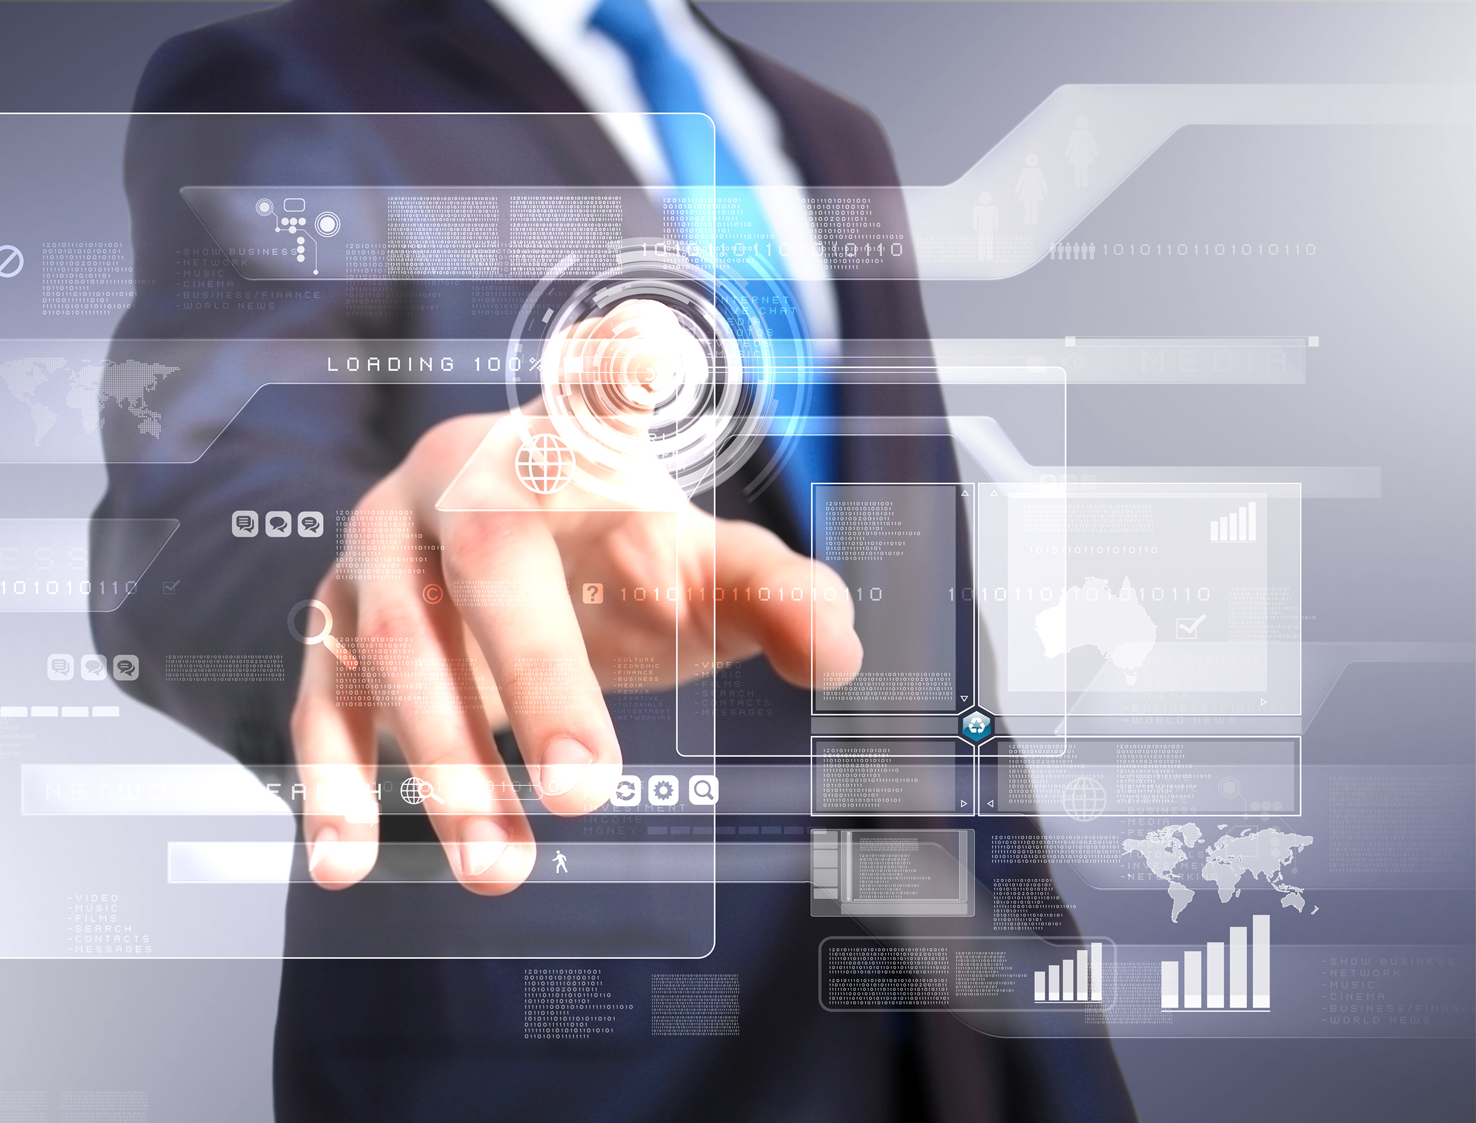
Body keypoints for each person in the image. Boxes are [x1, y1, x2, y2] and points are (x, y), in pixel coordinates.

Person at [94, 1, 1136, 1118]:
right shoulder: (283, 76)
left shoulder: (835, 134)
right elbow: (189, 532)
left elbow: (915, 613)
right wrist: (396, 598)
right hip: (557, 1048)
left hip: (947, 1015)